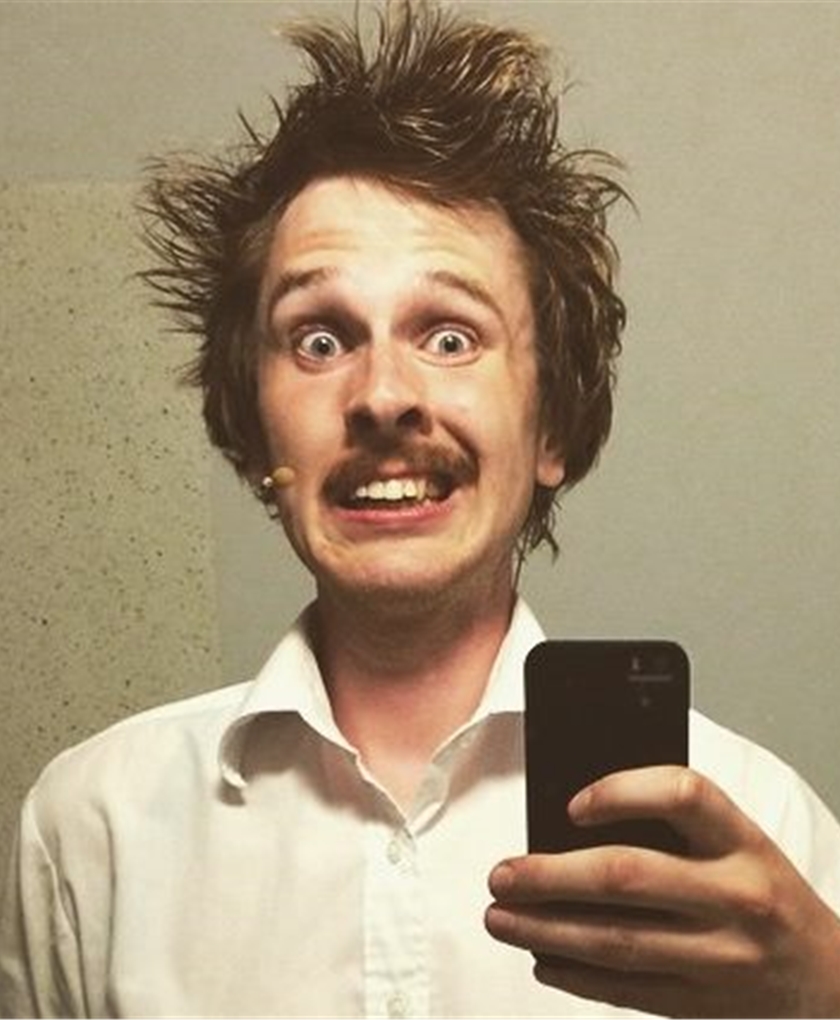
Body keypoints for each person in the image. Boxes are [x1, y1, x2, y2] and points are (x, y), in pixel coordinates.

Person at [2, 3, 840, 1017]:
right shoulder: (91, 833)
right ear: (254, 431)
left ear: (552, 429)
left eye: (450, 336)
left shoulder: (762, 839)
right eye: (319, 339)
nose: (383, 395)